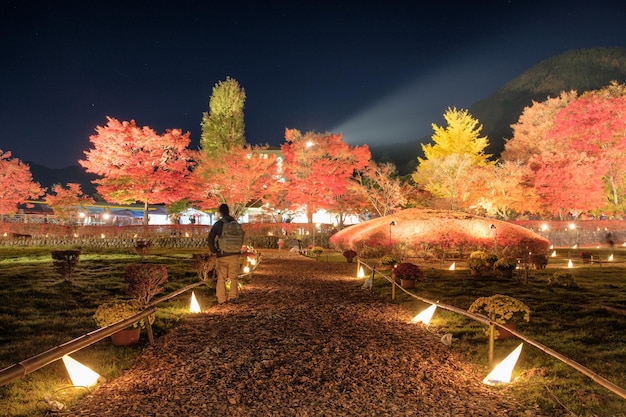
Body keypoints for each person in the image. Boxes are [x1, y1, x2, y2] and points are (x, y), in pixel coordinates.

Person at [208, 204, 241, 304]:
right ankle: (233, 296)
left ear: (220, 212)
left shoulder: (219, 224)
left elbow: (211, 238)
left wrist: (213, 250)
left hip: (222, 254)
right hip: (234, 254)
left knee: (221, 278)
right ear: (229, 211)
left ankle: (221, 299)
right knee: (233, 277)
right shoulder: (235, 223)